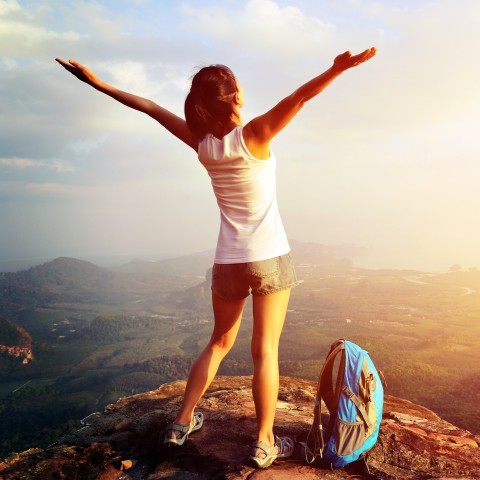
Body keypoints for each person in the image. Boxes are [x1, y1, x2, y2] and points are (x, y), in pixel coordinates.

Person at [56, 46, 376, 468]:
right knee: (265, 350)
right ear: (236, 97)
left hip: (227, 260)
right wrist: (336, 70)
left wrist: (96, 83)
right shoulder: (256, 134)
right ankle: (264, 442)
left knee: (220, 341)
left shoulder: (203, 145)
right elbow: (300, 98)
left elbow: (149, 107)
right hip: (269, 257)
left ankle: (182, 421)